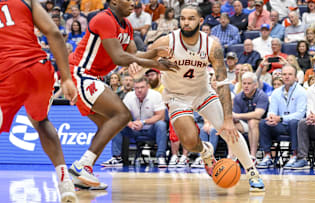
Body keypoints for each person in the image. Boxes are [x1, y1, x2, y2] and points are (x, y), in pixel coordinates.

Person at [149, 5, 265, 191]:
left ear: (201, 21)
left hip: (202, 93)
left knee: (229, 131)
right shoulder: (166, 42)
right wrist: (143, 66)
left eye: (191, 18)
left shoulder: (212, 45)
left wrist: (228, 120)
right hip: (176, 96)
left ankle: (252, 171)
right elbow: (146, 57)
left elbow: (223, 81)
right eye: (183, 18)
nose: (186, 22)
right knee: (188, 141)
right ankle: (206, 151)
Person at [68, 0, 177, 188]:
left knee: (107, 126)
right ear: (115, 2)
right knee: (123, 115)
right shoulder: (103, 19)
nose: (135, 3)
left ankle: (83, 174)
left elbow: (135, 56)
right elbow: (119, 57)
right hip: (81, 73)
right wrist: (157, 65)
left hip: (93, 77)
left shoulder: (126, 25)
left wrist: (156, 52)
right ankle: (82, 165)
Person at [0, 0, 78, 202]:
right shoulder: (26, 1)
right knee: (40, 120)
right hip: (40, 68)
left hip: (8, 72)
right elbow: (54, 33)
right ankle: (65, 181)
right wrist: (67, 78)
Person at [257, 64, 307, 169]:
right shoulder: (276, 92)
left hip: (294, 126)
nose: (287, 77)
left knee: (295, 122)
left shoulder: (302, 92)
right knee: (263, 123)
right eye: (284, 74)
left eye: (290, 74)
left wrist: (280, 118)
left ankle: (294, 156)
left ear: (295, 77)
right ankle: (267, 156)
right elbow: (272, 111)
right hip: (280, 125)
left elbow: (300, 114)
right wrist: (271, 117)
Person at [232, 72, 269, 160]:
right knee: (231, 125)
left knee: (252, 121)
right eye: (244, 83)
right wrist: (234, 118)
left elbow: (258, 114)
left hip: (262, 125)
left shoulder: (262, 95)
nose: (246, 86)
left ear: (255, 85)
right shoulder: (238, 97)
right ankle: (232, 155)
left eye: (249, 83)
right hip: (244, 124)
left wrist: (238, 116)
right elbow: (235, 117)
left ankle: (252, 156)